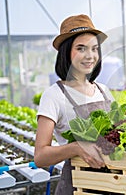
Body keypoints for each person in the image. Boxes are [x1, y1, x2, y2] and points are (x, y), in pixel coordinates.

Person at [34, 14, 114, 195]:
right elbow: (40, 157)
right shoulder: (53, 95)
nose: (90, 56)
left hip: (112, 183)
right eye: (81, 48)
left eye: (94, 49)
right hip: (77, 186)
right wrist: (76, 147)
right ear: (66, 52)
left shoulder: (103, 90)